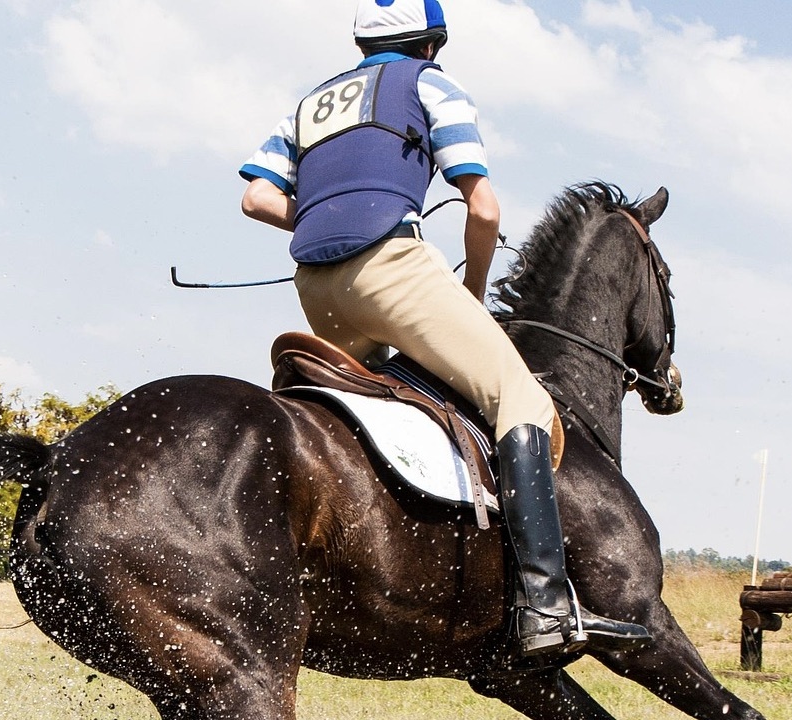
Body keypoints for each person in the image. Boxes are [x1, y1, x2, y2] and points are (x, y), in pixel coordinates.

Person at [238, 0, 650, 656]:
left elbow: (256, 196)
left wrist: (326, 217)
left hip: (316, 287)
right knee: (521, 399)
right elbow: (482, 209)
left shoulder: (310, 103)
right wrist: (473, 290)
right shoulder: (432, 85)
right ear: (432, 43)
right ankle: (544, 603)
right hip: (394, 270)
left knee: (366, 404)